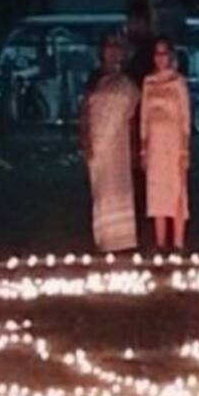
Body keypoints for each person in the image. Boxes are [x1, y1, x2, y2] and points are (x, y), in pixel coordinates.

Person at [79, 34, 140, 253]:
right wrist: (85, 138)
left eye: (117, 47)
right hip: (99, 141)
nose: (113, 51)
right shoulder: (95, 78)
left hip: (119, 143)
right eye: (109, 46)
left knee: (120, 187)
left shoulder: (127, 81)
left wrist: (136, 147)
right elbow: (86, 110)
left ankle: (123, 239)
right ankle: (104, 238)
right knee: (101, 190)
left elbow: (132, 114)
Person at [140, 36, 192, 250]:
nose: (160, 58)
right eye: (157, 54)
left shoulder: (178, 82)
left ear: (170, 56)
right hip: (155, 146)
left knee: (176, 191)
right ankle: (160, 244)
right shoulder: (148, 82)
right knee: (157, 193)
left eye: (164, 53)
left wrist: (184, 149)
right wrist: (143, 148)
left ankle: (178, 243)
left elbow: (185, 117)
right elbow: (144, 116)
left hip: (173, 144)